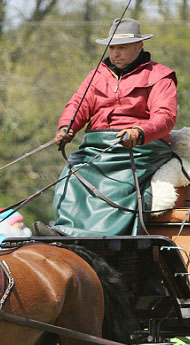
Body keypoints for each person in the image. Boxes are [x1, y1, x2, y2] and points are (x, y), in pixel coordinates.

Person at [35, 18, 178, 237]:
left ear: (139, 46)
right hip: (96, 145)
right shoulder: (97, 75)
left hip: (140, 148)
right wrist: (67, 127)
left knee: (117, 185)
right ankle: (65, 230)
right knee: (72, 174)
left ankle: (100, 235)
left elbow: (165, 117)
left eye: (122, 47)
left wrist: (139, 133)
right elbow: (78, 104)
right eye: (112, 47)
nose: (115, 53)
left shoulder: (160, 76)